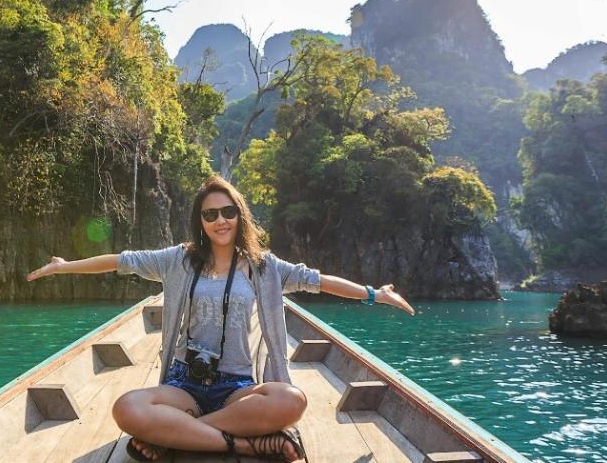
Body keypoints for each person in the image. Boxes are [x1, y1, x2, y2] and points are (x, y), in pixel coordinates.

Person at [26, 175, 415, 461]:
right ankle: (243, 443)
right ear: (201, 221)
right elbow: (120, 261)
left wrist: (372, 294)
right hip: (185, 384)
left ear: (239, 215)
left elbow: (318, 281)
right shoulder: (178, 259)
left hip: (236, 387)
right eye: (210, 214)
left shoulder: (265, 268)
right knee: (126, 408)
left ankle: (175, 436)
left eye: (228, 211)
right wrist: (63, 267)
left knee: (290, 400)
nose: (220, 220)